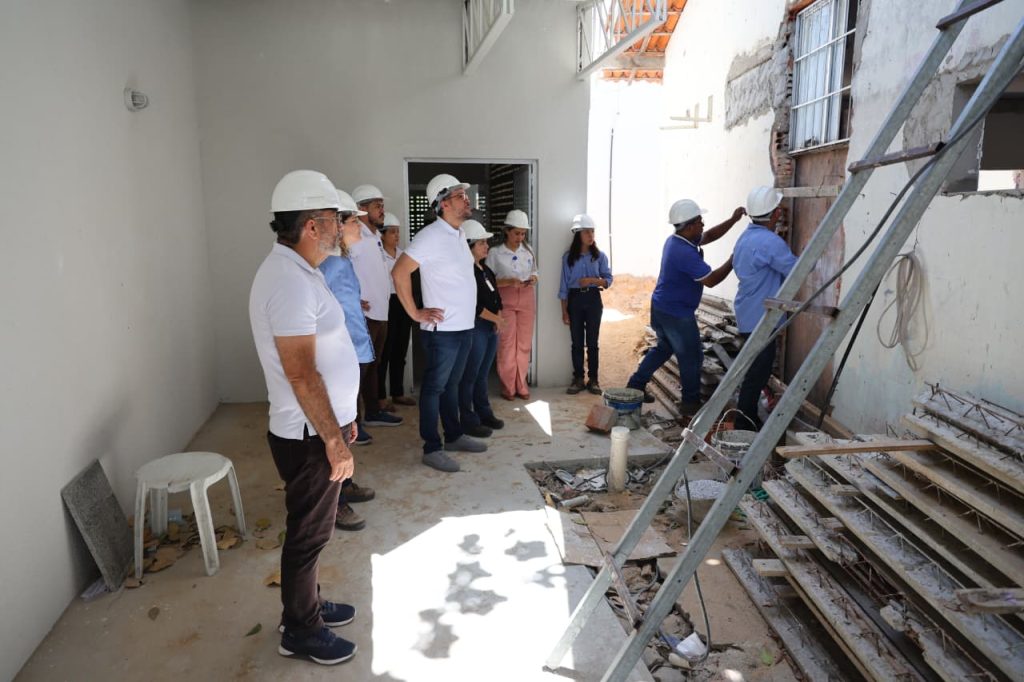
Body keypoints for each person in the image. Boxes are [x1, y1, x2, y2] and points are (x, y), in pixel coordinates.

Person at [249, 170, 359, 665]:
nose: (341, 226)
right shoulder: (288, 281)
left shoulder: (301, 270)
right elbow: (301, 373)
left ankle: (306, 604)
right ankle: (300, 629)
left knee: (314, 529)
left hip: (318, 428)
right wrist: (334, 441)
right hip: (308, 435)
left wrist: (343, 422)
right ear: (312, 225)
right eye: (335, 218)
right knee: (309, 534)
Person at [392, 174, 488, 473]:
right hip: (442, 332)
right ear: (443, 203)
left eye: (465, 194)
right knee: (434, 388)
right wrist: (414, 313)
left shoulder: (458, 234)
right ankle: (431, 447)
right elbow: (399, 272)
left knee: (451, 386)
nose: (467, 199)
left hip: (463, 327)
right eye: (460, 195)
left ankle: (454, 436)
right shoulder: (430, 236)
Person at [627, 200, 746, 419]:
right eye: (700, 221)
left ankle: (635, 385)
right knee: (692, 357)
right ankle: (690, 405)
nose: (703, 224)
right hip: (676, 314)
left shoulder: (677, 239)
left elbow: (709, 235)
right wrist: (733, 259)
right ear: (689, 226)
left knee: (663, 348)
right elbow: (711, 280)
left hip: (662, 307)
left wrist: (733, 220)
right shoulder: (683, 252)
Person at [318, 189, 377, 532]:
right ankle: (335, 503)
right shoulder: (327, 264)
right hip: (341, 357)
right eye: (355, 220)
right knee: (336, 429)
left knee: (349, 425)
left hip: (355, 352)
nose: (360, 226)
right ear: (338, 225)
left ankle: (345, 485)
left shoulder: (342, 260)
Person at [732, 186, 797, 431]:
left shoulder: (745, 237)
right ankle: (744, 425)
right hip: (761, 318)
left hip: (747, 312)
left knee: (754, 371)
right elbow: (796, 269)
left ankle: (747, 419)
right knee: (757, 374)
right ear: (776, 213)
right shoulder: (770, 242)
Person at [349, 184, 402, 429]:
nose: (382, 210)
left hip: (380, 313)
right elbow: (339, 270)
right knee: (359, 369)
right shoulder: (354, 236)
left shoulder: (373, 237)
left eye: (382, 205)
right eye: (377, 206)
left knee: (373, 366)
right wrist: (351, 299)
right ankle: (352, 423)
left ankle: (372, 412)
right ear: (361, 209)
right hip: (364, 316)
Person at [459, 219, 506, 436]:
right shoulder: (466, 271)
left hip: (490, 327)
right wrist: (495, 319)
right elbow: (474, 305)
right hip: (476, 327)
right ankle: (468, 419)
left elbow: (496, 296)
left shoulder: (485, 269)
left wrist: (498, 317)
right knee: (470, 375)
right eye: (481, 243)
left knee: (482, 374)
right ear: (468, 246)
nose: (487, 246)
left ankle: (484, 413)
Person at [486, 209, 538, 400]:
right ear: (506, 231)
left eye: (523, 233)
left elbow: (535, 271)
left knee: (524, 343)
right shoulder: (495, 253)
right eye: (517, 233)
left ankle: (521, 384)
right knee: (506, 343)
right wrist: (507, 282)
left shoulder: (528, 250)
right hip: (504, 300)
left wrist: (534, 278)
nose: (520, 237)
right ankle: (508, 386)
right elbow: (487, 280)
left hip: (526, 298)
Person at [558, 213, 612, 395]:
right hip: (575, 300)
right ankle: (578, 379)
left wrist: (591, 280)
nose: (591, 235)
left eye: (592, 231)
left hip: (593, 299)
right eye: (587, 232)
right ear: (578, 234)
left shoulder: (600, 256)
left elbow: (608, 280)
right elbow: (563, 287)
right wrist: (564, 311)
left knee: (593, 342)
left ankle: (594, 380)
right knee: (577, 343)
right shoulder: (568, 258)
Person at [377, 212, 416, 408]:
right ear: (382, 235)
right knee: (385, 351)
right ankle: (380, 397)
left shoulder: (403, 255)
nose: (396, 235)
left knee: (400, 349)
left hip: (402, 302)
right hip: (386, 303)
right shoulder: (377, 256)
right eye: (392, 232)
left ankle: (398, 392)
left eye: (398, 232)